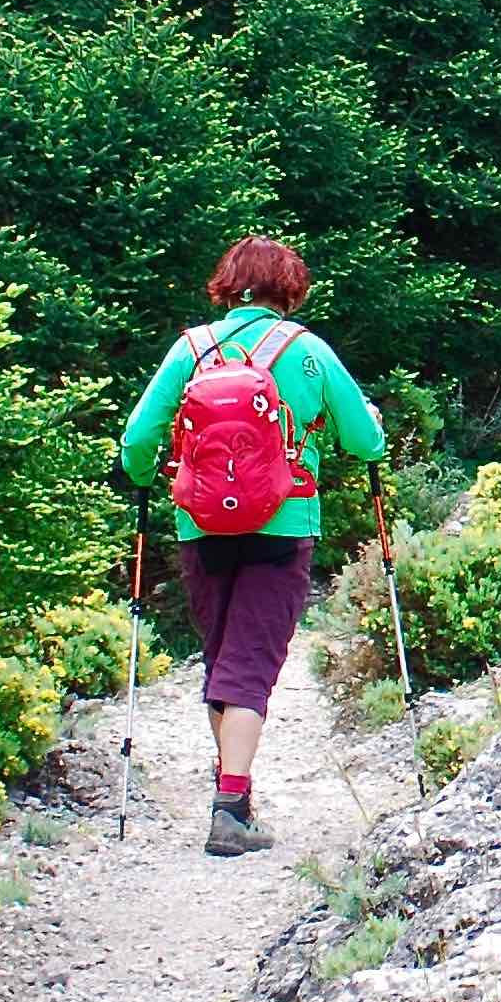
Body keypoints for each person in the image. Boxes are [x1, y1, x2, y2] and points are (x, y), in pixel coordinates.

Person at [118, 236, 387, 855]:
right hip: (283, 526)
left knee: (224, 660)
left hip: (201, 526)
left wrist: (142, 475)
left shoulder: (190, 349)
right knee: (249, 665)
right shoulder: (308, 351)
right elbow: (363, 441)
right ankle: (231, 808)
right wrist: (370, 427)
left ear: (227, 285)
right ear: (288, 289)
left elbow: (138, 438)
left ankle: (232, 792)